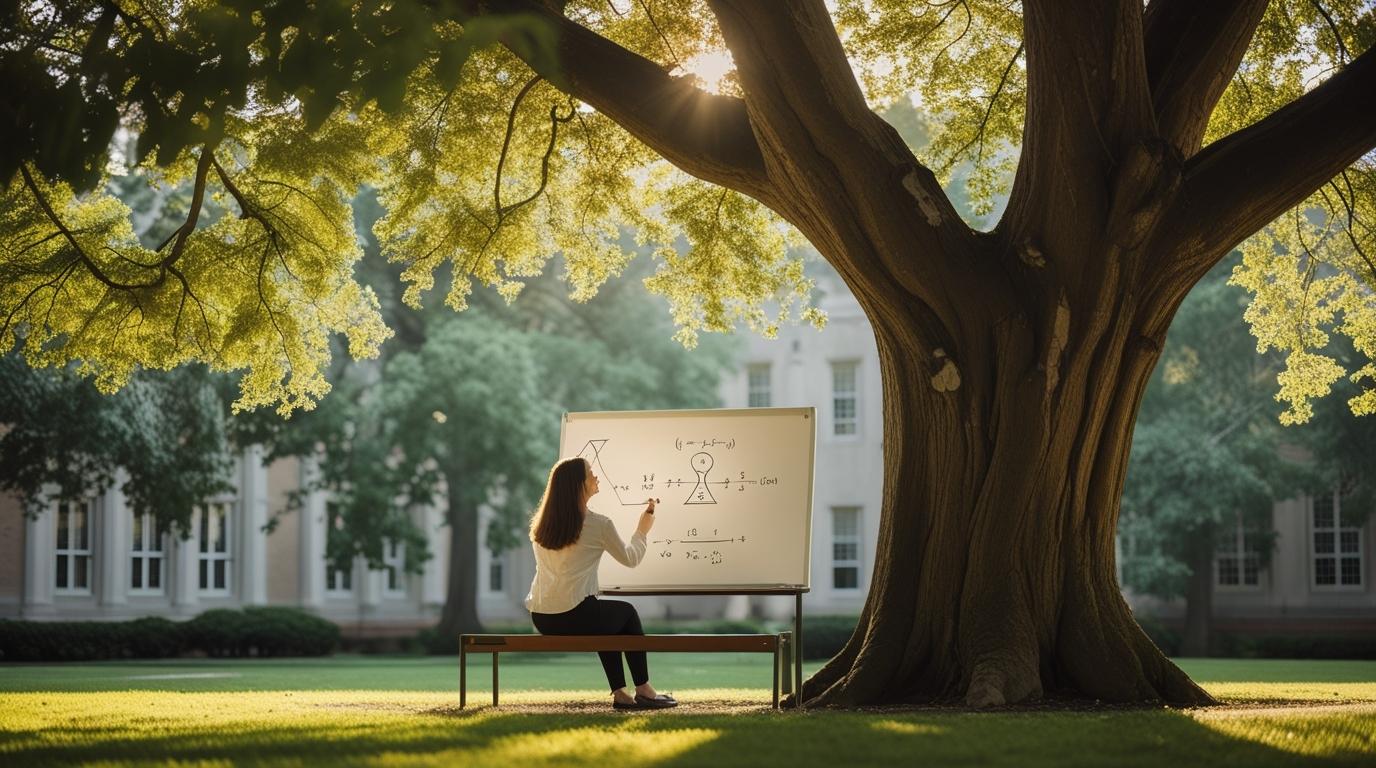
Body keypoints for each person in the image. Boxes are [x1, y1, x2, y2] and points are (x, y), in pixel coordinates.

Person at [525, 456, 678, 710]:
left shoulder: (542, 526)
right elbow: (631, 558)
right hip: (573, 614)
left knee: (605, 618)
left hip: (542, 617)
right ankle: (644, 690)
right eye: (591, 473)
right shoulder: (598, 524)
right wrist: (642, 530)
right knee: (625, 613)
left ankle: (621, 693)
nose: (596, 477)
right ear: (578, 485)